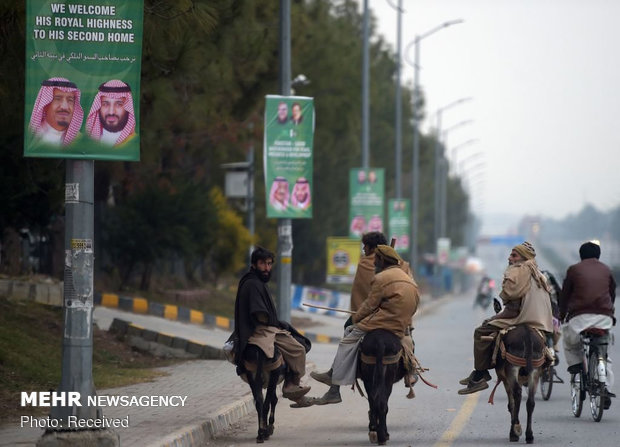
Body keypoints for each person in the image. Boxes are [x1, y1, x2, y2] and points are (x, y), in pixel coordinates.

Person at [307, 245, 419, 405]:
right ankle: (411, 372)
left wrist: (357, 318)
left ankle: (334, 386)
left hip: (381, 322)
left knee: (348, 338)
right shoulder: (408, 276)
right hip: (401, 324)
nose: (374, 263)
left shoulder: (381, 277)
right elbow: (414, 304)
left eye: (376, 259)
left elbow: (369, 305)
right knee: (409, 343)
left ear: (381, 259)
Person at [458, 241, 554, 394]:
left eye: (514, 255)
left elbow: (513, 310)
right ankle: (548, 361)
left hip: (519, 317)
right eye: (511, 254)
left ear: (522, 258)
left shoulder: (517, 271)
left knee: (480, 331)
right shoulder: (539, 274)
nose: (510, 258)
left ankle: (480, 375)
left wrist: (493, 318)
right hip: (540, 322)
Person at [233, 247, 312, 401]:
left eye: (269, 264)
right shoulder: (253, 284)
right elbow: (260, 315)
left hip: (263, 327)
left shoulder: (255, 281)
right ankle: (291, 384)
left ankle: (290, 379)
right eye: (263, 264)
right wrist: (278, 324)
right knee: (298, 348)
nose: (267, 268)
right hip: (259, 331)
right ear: (254, 264)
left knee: (295, 339)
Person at [558, 241, 616, 402]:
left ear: (580, 255)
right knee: (604, 355)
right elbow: (611, 294)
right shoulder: (606, 269)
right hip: (604, 318)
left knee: (570, 340)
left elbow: (564, 296)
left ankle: (576, 365)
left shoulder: (574, 270)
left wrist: (562, 315)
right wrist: (610, 312)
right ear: (599, 255)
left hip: (580, 318)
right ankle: (605, 387)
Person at [29, 77, 83, 146]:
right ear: (45, 105)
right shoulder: (31, 136)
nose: (64, 107)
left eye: (70, 100)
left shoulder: (79, 140)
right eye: (57, 99)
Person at [85, 80, 136, 146]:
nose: (111, 112)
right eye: (105, 104)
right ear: (98, 107)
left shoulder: (134, 141)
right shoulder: (88, 140)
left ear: (128, 108)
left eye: (119, 104)